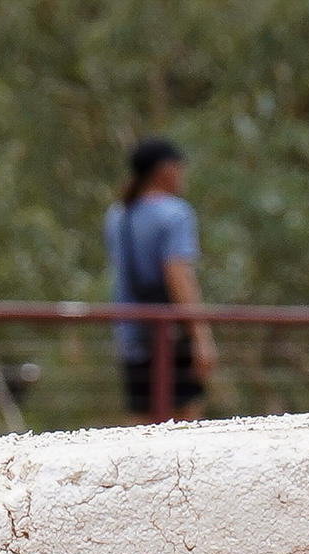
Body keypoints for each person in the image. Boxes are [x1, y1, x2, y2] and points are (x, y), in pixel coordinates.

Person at [109, 135, 215, 421]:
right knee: (184, 432)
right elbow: (179, 276)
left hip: (133, 336)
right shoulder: (176, 214)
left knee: (142, 430)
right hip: (172, 338)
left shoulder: (118, 215)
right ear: (165, 169)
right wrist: (201, 337)